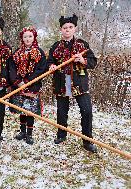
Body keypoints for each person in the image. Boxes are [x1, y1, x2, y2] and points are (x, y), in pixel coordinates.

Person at [47, 14, 97, 153]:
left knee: (87, 111)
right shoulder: (55, 46)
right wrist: (51, 66)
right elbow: (49, 61)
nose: (67, 30)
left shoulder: (82, 45)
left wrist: (82, 60)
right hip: (61, 82)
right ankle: (61, 135)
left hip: (79, 83)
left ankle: (87, 141)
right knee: (62, 112)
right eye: (64, 28)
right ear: (61, 30)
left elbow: (93, 62)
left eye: (70, 27)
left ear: (74, 28)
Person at [9, 26, 47, 145]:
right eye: (25, 36)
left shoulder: (39, 52)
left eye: (30, 36)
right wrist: (18, 81)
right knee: (22, 109)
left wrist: (28, 80)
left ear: (34, 37)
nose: (27, 39)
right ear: (22, 38)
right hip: (19, 85)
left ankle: (29, 134)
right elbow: (12, 68)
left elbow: (41, 69)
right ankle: (22, 131)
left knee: (30, 110)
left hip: (32, 85)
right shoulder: (17, 53)